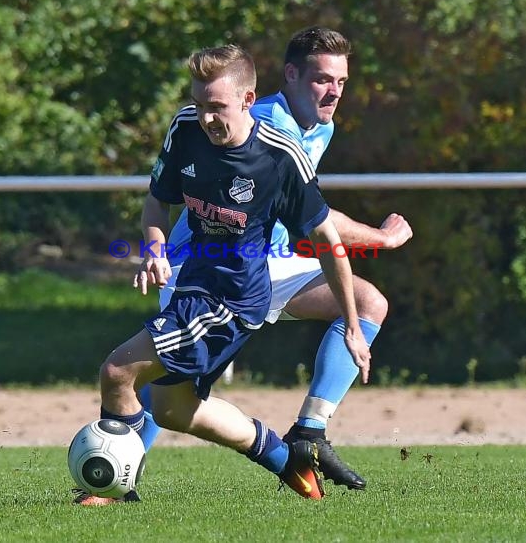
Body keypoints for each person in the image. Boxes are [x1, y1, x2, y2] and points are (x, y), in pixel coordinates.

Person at [74, 43, 370, 505]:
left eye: (217, 107)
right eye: (199, 104)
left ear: (248, 100)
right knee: (175, 410)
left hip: (232, 300)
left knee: (117, 371)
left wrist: (352, 324)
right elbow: (157, 200)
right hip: (192, 282)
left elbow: (329, 243)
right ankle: (284, 457)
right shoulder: (185, 127)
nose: (207, 118)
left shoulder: (279, 157)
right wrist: (154, 247)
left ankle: (114, 489)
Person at [140, 27, 413, 490]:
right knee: (174, 384)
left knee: (367, 304)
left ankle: (310, 433)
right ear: (289, 75)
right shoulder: (259, 123)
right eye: (322, 79)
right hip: (207, 264)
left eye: (341, 82)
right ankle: (119, 463)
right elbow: (322, 219)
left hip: (268, 260)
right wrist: (379, 239)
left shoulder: (320, 128)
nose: (333, 92)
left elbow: (311, 216)